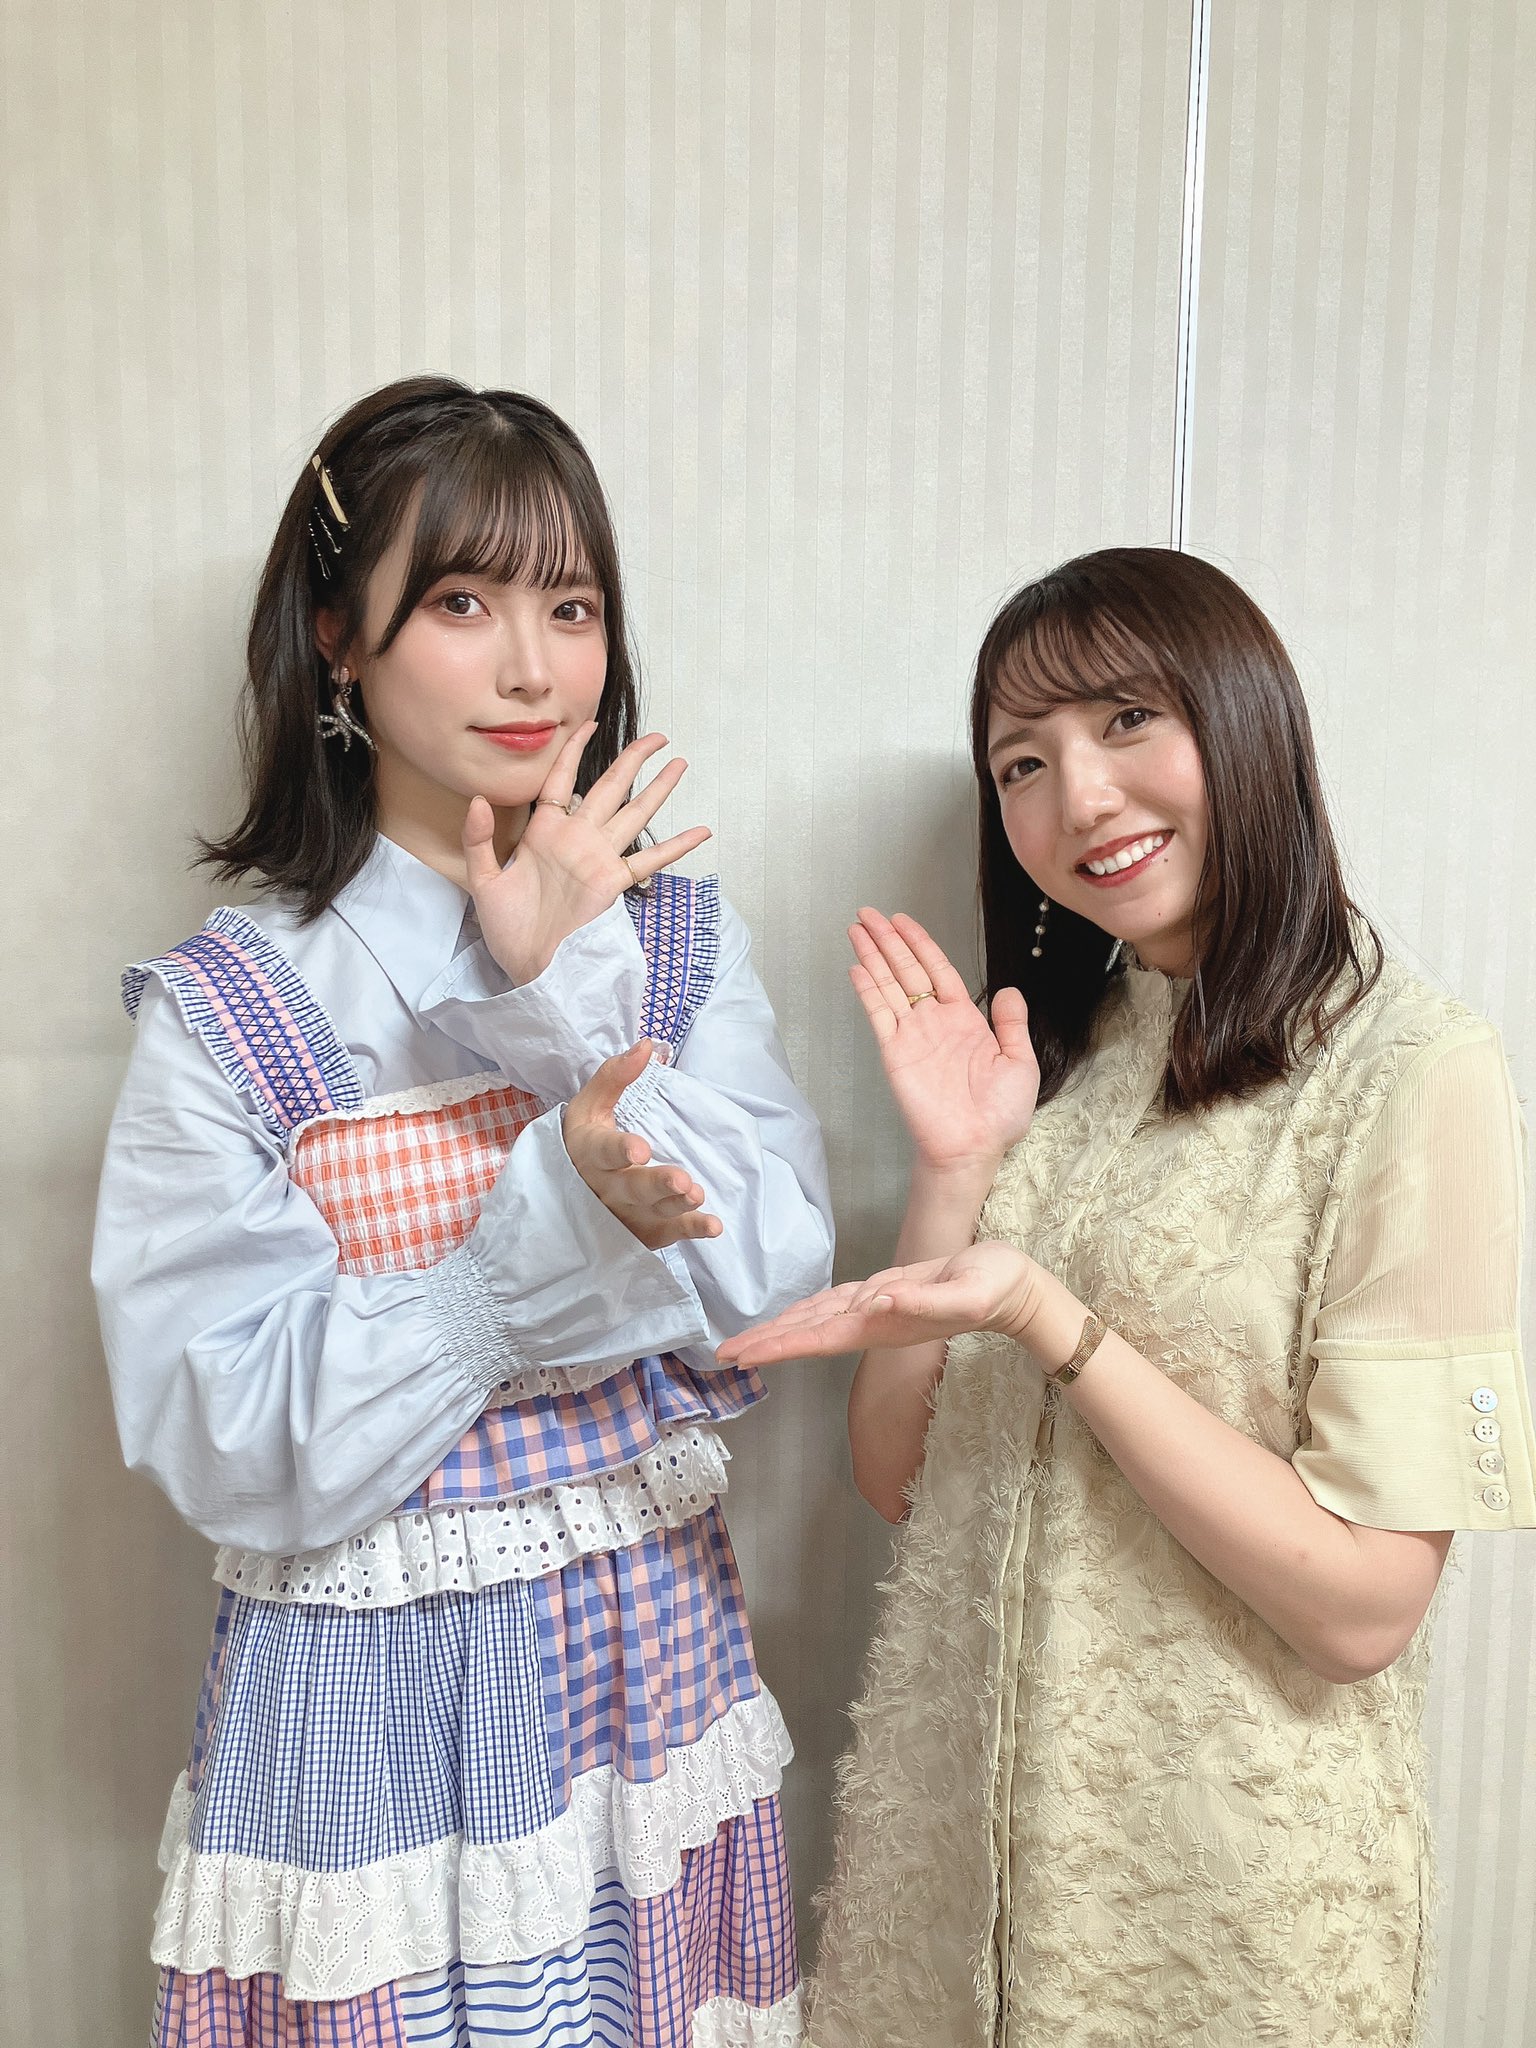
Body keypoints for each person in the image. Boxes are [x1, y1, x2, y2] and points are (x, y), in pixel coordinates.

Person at [93, 375, 832, 2046]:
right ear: (337, 641)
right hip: (362, 1716)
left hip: (648, 1667)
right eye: (460, 602)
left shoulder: (674, 944)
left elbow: (772, 1281)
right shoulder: (237, 1008)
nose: (533, 669)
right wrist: (519, 1275)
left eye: (571, 608)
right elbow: (229, 1438)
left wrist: (565, 989)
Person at [719, 547, 1536, 2048]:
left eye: (1126, 722)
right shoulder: (1068, 1064)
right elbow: (901, 1478)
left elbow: (1365, 1608)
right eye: (1022, 764)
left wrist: (1053, 1322)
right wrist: (956, 1164)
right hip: (948, 1883)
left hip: (1221, 1897)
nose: (1079, 797)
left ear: (1246, 720)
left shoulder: (1413, 1070)